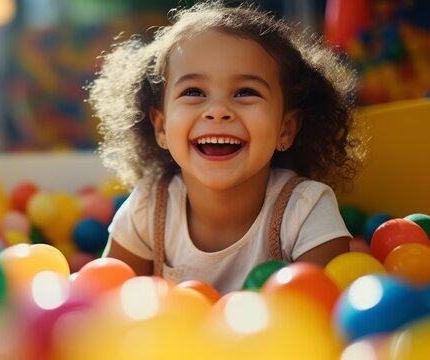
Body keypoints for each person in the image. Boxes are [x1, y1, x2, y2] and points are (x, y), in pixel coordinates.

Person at [87, 1, 365, 294]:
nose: (218, 111)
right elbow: (106, 302)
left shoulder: (305, 209)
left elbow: (319, 312)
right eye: (193, 92)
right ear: (162, 127)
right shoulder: (149, 207)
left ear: (285, 128)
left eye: (246, 92)